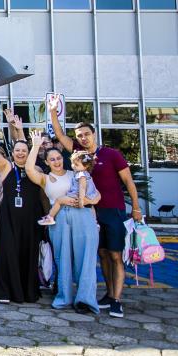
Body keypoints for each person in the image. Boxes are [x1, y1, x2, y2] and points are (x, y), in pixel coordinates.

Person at [50, 96, 137, 318]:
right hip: (90, 214)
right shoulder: (79, 155)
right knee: (102, 254)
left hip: (113, 210)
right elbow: (60, 135)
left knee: (116, 255)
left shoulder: (111, 155)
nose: (83, 138)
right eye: (79, 136)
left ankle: (116, 299)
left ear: (94, 134)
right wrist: (53, 112)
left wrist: (135, 208)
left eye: (86, 134)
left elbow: (128, 182)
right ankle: (108, 294)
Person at [25, 130, 101, 314]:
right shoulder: (44, 179)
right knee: (63, 259)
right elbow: (28, 169)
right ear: (46, 162)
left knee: (86, 260)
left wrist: (87, 202)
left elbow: (96, 194)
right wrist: (35, 146)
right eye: (52, 159)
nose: (57, 161)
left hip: (82, 216)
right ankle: (64, 297)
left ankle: (85, 299)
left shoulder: (76, 172)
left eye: (58, 157)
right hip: (59, 220)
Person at [0, 118, 44, 304]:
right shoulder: (7, 167)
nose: (21, 153)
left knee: (28, 253)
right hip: (8, 218)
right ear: (13, 153)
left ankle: (28, 292)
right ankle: (6, 291)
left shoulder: (36, 169)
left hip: (30, 219)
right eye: (17, 150)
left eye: (24, 150)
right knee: (7, 253)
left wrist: (33, 144)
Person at [38, 150, 97, 226]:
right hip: (78, 202)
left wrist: (81, 200)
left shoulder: (80, 174)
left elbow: (82, 188)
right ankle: (95, 221)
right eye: (73, 163)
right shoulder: (84, 174)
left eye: (76, 164)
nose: (73, 166)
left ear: (85, 166)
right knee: (90, 207)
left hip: (77, 197)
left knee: (59, 200)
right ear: (46, 162)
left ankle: (50, 217)